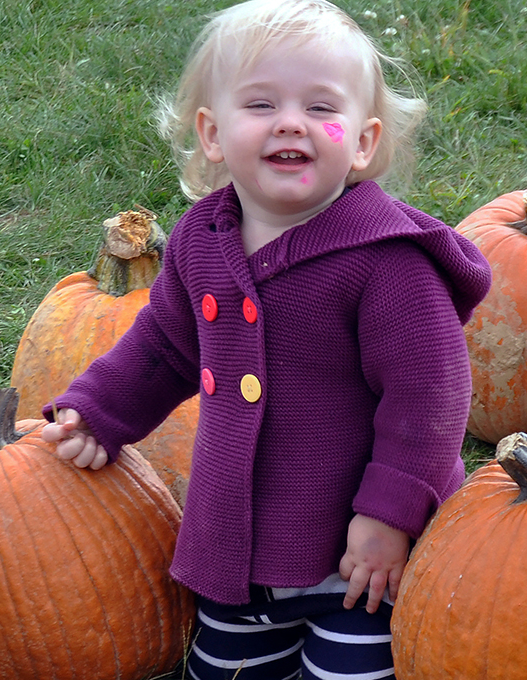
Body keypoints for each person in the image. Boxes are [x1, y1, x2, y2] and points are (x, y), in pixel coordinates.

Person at [41, 0, 491, 677]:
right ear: (212, 133)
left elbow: (429, 399)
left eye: (320, 107)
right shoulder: (201, 240)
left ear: (363, 142)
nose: (290, 122)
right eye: (260, 105)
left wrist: (388, 516)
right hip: (240, 558)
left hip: (363, 566)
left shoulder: (388, 263)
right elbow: (165, 345)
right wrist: (101, 411)